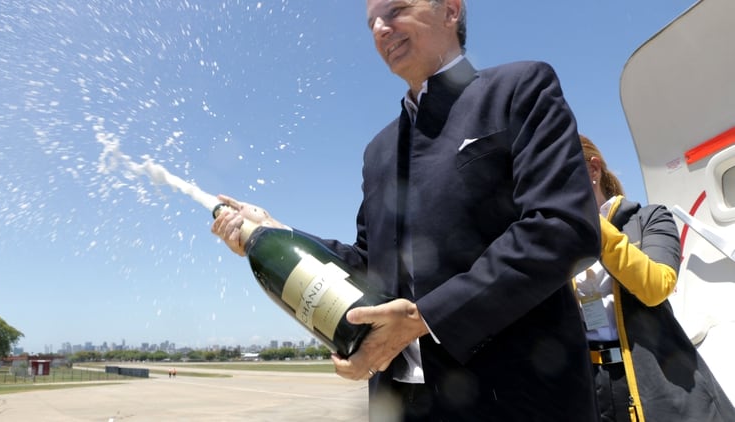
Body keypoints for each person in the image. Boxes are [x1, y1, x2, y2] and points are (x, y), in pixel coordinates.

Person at [212, 0, 601, 420]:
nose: (380, 28)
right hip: (400, 403)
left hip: (515, 397)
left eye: (396, 9)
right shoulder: (378, 151)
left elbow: (563, 229)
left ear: (451, 11)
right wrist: (276, 232)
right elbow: (367, 263)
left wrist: (424, 319)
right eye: (371, 23)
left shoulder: (519, 87)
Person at [576, 134, 735, 422]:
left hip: (659, 378)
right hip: (596, 384)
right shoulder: (558, 241)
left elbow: (655, 287)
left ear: (593, 170)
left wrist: (590, 224)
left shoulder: (649, 218)